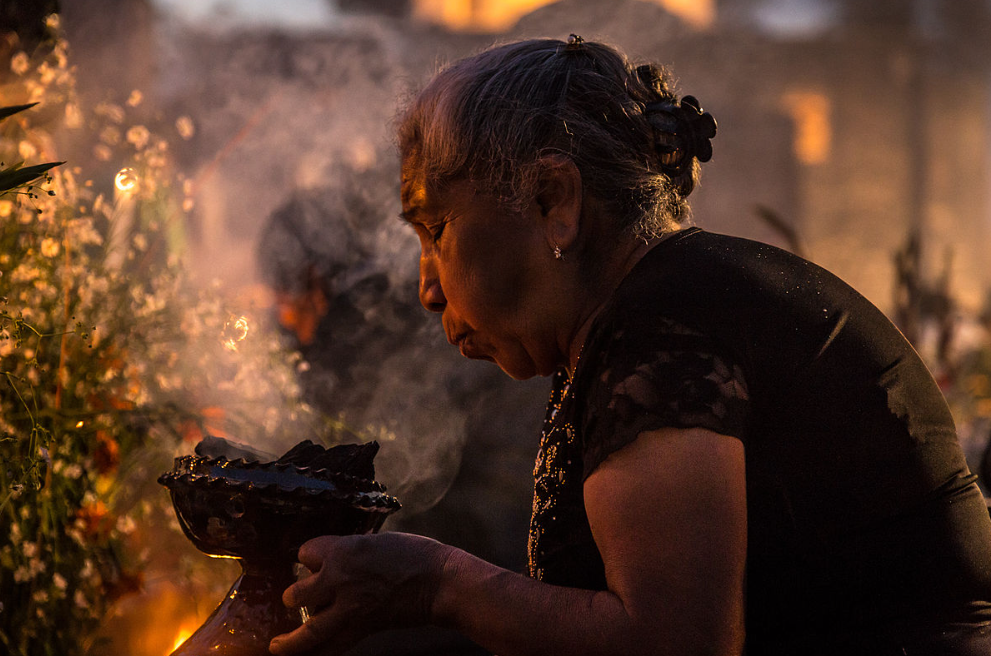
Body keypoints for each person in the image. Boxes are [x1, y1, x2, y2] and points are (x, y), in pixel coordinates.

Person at [269, 36, 991, 656]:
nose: (429, 288)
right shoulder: (667, 303)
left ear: (553, 198)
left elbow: (671, 642)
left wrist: (438, 584)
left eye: (436, 232)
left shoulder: (664, 329)